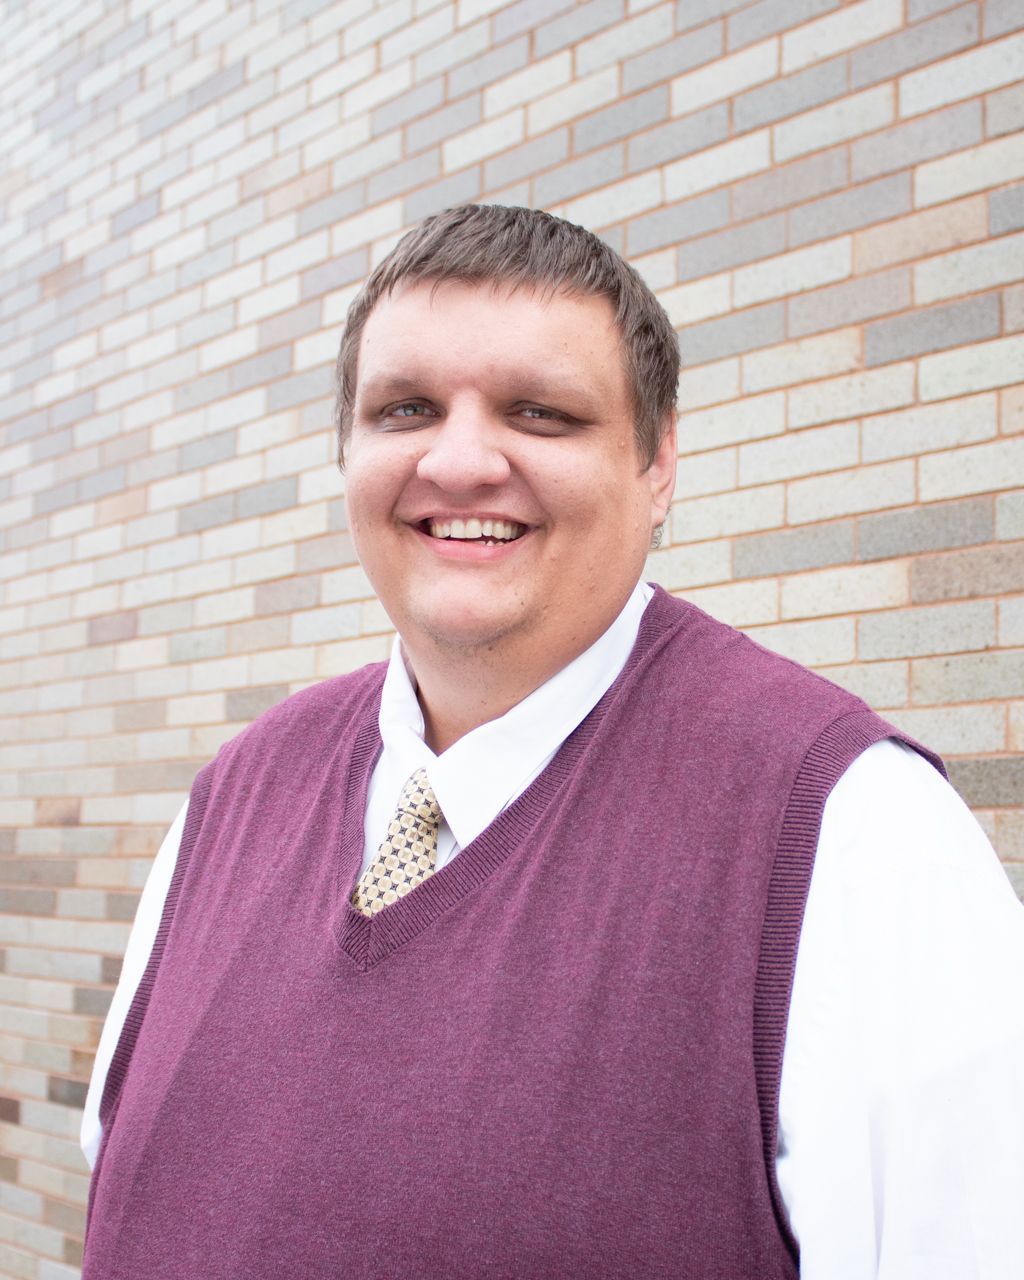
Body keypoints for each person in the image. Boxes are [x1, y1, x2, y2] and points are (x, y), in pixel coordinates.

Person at [81, 205, 1024, 1279]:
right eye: (405, 408)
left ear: (658, 462)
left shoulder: (851, 832)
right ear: (348, 449)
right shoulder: (230, 797)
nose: (462, 459)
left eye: (541, 412)